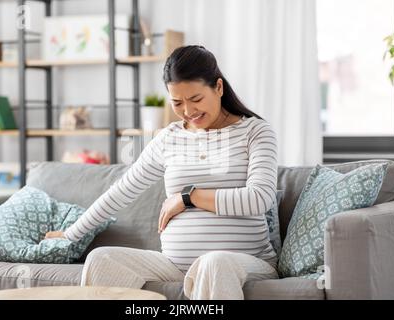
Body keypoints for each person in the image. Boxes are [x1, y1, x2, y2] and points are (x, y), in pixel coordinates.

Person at [45, 45, 279, 300]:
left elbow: (259, 198)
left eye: (196, 99)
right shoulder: (169, 138)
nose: (188, 111)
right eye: (177, 102)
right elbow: (121, 191)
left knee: (213, 263)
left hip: (244, 263)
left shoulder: (255, 132)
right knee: (102, 259)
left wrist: (187, 198)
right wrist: (69, 234)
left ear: (219, 88)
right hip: (175, 266)